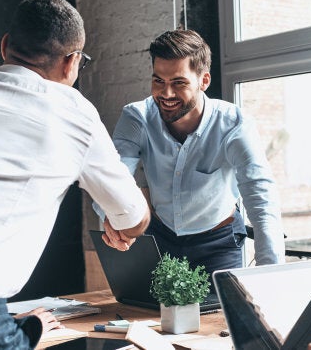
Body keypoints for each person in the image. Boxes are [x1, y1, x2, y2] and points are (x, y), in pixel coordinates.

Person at [0, 0, 150, 349]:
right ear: (71, 63)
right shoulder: (70, 111)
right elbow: (133, 220)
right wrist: (120, 219)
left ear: (5, 46)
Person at [101, 29, 285, 275]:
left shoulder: (234, 125)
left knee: (221, 313)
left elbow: (261, 198)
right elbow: (113, 174)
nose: (166, 94)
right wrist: (111, 217)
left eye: (179, 83)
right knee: (149, 313)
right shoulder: (137, 117)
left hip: (217, 243)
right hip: (160, 238)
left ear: (204, 81)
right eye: (159, 81)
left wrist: (271, 276)